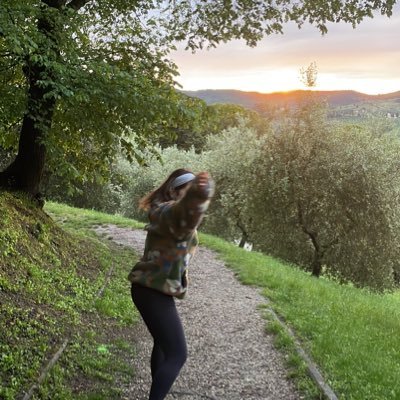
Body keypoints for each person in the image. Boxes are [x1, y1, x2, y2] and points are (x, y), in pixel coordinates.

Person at [128, 168, 214, 400]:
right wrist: (198, 194)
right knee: (178, 354)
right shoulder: (170, 213)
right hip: (153, 292)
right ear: (175, 192)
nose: (187, 197)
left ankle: (158, 390)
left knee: (163, 345)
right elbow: (186, 213)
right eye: (185, 191)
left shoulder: (163, 212)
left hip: (149, 289)